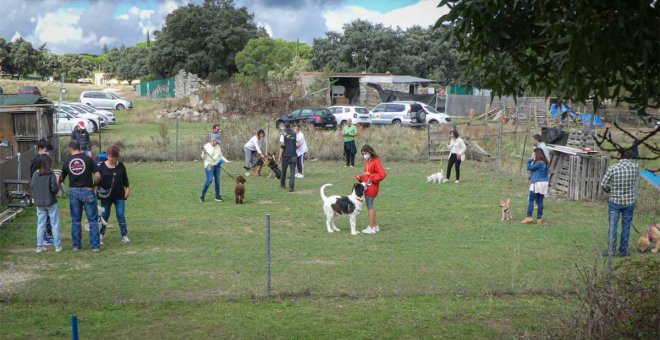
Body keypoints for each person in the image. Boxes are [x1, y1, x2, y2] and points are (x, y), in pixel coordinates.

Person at [59, 140, 101, 252]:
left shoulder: (67, 161)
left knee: (76, 220)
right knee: (92, 220)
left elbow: (61, 178)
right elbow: (97, 176)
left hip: (73, 191)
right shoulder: (88, 159)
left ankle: (76, 246)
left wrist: (60, 184)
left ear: (70, 149)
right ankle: (95, 246)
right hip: (88, 190)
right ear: (80, 148)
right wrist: (94, 185)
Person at [600, 148, 640, 257]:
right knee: (626, 226)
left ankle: (611, 251)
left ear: (619, 155)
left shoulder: (613, 168)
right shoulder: (635, 168)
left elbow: (603, 184)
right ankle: (623, 251)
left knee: (613, 226)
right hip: (629, 202)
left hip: (615, 202)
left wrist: (610, 190)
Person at [97, 144, 131, 244]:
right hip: (106, 197)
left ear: (117, 157)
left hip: (119, 195)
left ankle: (124, 235)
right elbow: (97, 181)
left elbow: (126, 180)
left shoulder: (121, 166)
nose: (110, 158)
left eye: (113, 157)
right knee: (104, 216)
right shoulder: (102, 166)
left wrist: (127, 190)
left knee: (120, 215)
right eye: (109, 156)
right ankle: (100, 235)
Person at [30, 154, 62, 253]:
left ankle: (39, 247)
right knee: (55, 223)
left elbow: (32, 187)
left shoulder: (35, 174)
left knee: (40, 224)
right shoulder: (51, 174)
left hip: (39, 203)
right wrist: (58, 185)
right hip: (51, 202)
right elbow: (54, 189)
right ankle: (57, 246)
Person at [354, 144, 387, 234]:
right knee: (369, 205)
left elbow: (382, 174)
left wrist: (370, 177)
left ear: (369, 152)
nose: (364, 155)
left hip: (372, 187)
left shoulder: (376, 161)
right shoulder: (368, 161)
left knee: (370, 205)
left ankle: (371, 227)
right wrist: (360, 177)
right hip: (367, 186)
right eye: (362, 154)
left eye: (365, 153)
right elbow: (366, 174)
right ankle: (375, 226)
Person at [30, 139, 54, 246]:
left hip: (47, 192)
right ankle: (45, 237)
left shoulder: (45, 159)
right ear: (40, 149)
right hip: (41, 193)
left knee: (48, 216)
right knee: (42, 217)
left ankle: (49, 234)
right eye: (46, 150)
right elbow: (33, 177)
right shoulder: (36, 161)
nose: (47, 152)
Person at [521, 148, 549, 224]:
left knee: (531, 200)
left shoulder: (539, 163)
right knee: (540, 201)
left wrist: (531, 159)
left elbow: (529, 167)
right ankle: (539, 218)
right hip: (544, 183)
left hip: (537, 183)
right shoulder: (545, 162)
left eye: (534, 154)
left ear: (537, 154)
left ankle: (529, 217)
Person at [200, 133, 228, 202]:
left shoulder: (218, 147)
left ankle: (217, 196)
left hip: (217, 165)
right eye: (217, 141)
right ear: (213, 140)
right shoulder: (206, 146)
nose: (218, 142)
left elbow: (220, 156)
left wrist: (227, 161)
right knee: (209, 180)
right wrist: (204, 153)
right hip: (209, 165)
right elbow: (203, 157)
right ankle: (202, 196)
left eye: (218, 141)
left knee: (217, 181)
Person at [278, 123, 298, 192]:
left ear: (285, 127)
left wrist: (279, 156)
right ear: (290, 126)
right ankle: (291, 187)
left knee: (284, 170)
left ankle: (282, 184)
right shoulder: (295, 134)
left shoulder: (283, 134)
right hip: (293, 155)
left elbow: (281, 146)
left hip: (286, 155)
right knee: (292, 172)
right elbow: (297, 144)